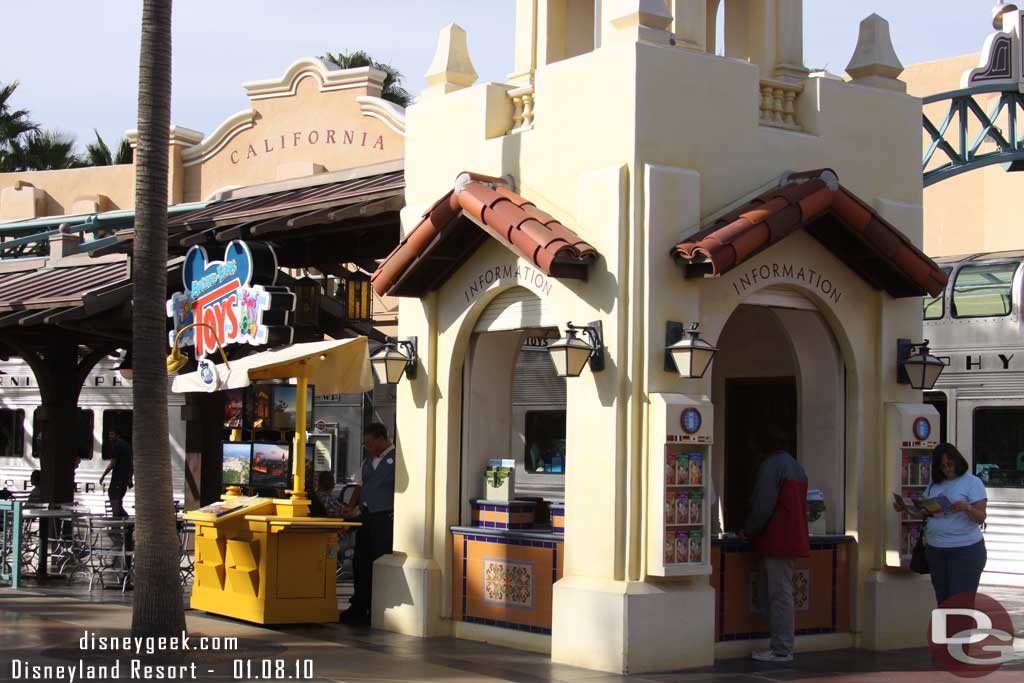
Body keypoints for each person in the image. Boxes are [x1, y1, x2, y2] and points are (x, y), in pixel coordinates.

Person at [741, 427, 809, 664]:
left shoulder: (771, 467)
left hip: (777, 540)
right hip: (791, 539)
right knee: (780, 592)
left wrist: (749, 530)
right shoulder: (795, 466)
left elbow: (762, 506)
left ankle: (781, 648)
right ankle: (781, 646)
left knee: (779, 594)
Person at [894, 442, 987, 604]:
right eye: (942, 466)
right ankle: (945, 630)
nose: (947, 469)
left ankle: (959, 630)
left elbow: (981, 517)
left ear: (958, 461)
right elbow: (925, 512)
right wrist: (906, 507)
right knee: (943, 602)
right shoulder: (935, 483)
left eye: (950, 464)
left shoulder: (972, 482)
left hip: (964, 550)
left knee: (960, 603)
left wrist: (967, 507)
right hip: (936, 549)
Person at [339, 422, 395, 626]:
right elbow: (360, 486)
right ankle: (359, 604)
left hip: (384, 517)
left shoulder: (396, 460)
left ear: (381, 439)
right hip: (366, 515)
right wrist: (351, 505)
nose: (368, 448)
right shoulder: (367, 461)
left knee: (377, 561)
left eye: (370, 444)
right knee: (360, 561)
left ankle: (376, 605)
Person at [99, 429, 133, 517]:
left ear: (118, 435)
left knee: (113, 498)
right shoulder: (127, 446)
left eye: (112, 434)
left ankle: (124, 522)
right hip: (124, 479)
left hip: (118, 479)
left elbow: (112, 463)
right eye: (109, 434)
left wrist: (103, 476)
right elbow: (130, 463)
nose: (110, 437)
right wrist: (129, 479)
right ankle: (120, 524)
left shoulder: (117, 445)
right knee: (118, 501)